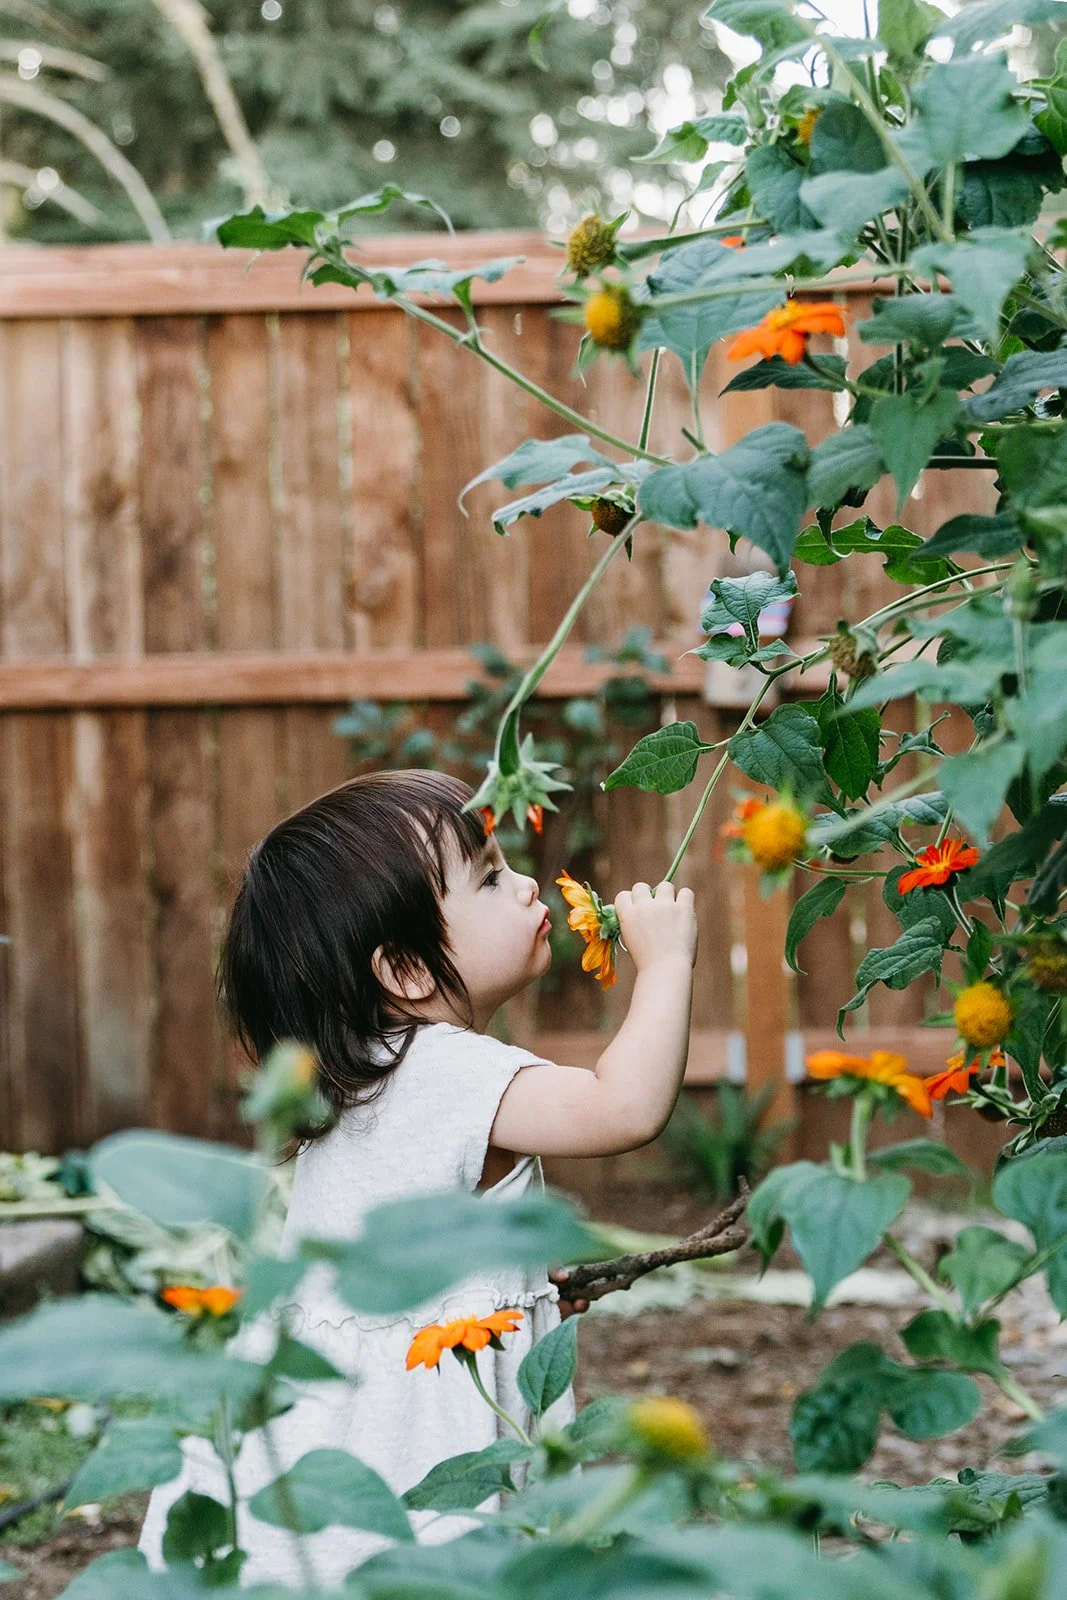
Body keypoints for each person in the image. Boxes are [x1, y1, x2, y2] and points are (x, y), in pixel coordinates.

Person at [137, 768, 698, 1588]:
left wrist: (503, 1276)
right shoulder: (443, 1067)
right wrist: (667, 965)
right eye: (491, 879)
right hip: (412, 1425)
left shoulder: (363, 1075)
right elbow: (623, 1109)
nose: (527, 886)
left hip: (330, 1414)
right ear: (404, 970)